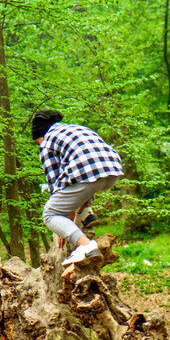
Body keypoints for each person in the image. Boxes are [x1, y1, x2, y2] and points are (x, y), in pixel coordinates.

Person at [31, 110, 124, 266]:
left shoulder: (47, 142)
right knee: (79, 180)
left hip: (87, 172)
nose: (39, 145)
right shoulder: (77, 129)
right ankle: (86, 211)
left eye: (37, 142)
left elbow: (56, 185)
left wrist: (64, 226)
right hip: (113, 170)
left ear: (40, 135)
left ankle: (86, 246)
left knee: (50, 213)